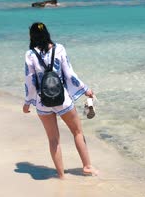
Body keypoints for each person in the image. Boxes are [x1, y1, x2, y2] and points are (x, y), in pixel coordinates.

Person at [23, 22, 97, 179]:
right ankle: (87, 166)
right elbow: (70, 75)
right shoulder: (59, 49)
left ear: (32, 36)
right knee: (77, 132)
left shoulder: (30, 55)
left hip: (43, 103)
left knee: (53, 139)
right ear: (47, 33)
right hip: (62, 100)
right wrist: (85, 89)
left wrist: (27, 101)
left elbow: (30, 81)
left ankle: (61, 176)